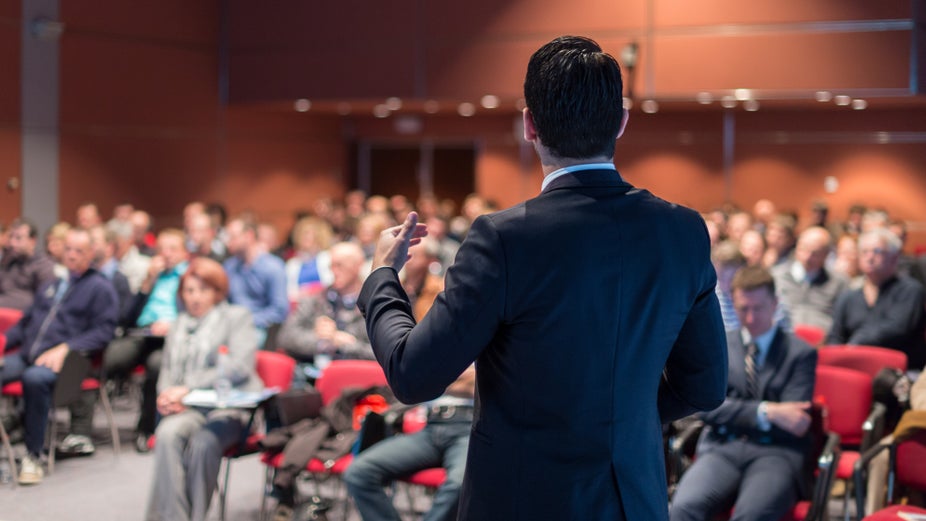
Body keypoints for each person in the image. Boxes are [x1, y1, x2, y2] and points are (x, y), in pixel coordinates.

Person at [357, 35, 728, 520]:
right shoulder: (683, 231)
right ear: (621, 121)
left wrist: (382, 275)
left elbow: (412, 374)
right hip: (633, 500)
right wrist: (614, 422)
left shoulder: (504, 238)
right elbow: (704, 387)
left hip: (523, 499)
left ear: (529, 124)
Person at [670, 266, 817, 521]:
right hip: (722, 447)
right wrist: (767, 411)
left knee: (750, 516)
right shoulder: (721, 344)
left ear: (775, 303)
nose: (749, 318)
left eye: (757, 308)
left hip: (776, 453)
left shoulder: (800, 353)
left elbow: (795, 422)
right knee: (682, 509)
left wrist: (730, 409)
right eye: (742, 309)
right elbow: (706, 408)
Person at [144, 257, 262, 521]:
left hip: (230, 407)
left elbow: (239, 366)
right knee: (166, 433)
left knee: (203, 444)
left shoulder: (236, 317)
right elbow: (166, 370)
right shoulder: (179, 324)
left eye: (203, 290)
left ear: (218, 291)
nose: (195, 297)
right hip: (190, 408)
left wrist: (186, 388)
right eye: (189, 291)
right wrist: (166, 396)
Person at [0, 227, 118, 484]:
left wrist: (67, 347)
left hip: (68, 364)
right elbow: (25, 322)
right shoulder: (52, 285)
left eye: (79, 251)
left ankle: (34, 456)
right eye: (68, 249)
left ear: (90, 255)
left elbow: (104, 332)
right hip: (27, 354)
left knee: (34, 379)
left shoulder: (100, 288)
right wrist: (3, 341)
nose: (72, 255)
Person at [344, 365, 475, 521]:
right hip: (431, 427)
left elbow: (484, 384)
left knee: (462, 484)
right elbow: (414, 382)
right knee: (358, 472)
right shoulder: (442, 344)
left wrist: (441, 378)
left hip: (471, 428)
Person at [104, 228, 190, 451]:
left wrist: (173, 325)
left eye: (173, 249)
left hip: (172, 338)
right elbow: (128, 316)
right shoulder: (153, 275)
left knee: (156, 366)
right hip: (142, 333)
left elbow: (195, 314)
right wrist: (146, 283)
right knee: (110, 358)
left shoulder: (189, 276)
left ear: (184, 252)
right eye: (162, 250)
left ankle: (147, 428)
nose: (167, 254)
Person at [826, 228, 926, 370]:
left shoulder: (910, 291)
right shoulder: (848, 296)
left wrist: (854, 345)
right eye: (864, 252)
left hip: (899, 373)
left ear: (894, 258)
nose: (870, 257)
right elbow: (835, 336)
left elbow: (895, 329)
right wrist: (836, 357)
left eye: (877, 251)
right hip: (855, 368)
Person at [276, 242, 372, 362]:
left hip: (356, 375)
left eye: (340, 265)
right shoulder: (315, 299)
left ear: (359, 265)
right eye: (331, 266)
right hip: (311, 372)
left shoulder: (373, 304)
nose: (334, 271)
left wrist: (347, 344)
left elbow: (388, 353)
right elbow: (285, 337)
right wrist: (321, 340)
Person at [223, 216, 289, 348]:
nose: (228, 242)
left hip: (259, 327)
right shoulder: (229, 267)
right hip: (232, 325)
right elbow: (223, 302)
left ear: (249, 236)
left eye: (233, 237)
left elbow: (279, 310)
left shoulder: (273, 267)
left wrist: (247, 321)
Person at [771, 226, 848, 332]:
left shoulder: (838, 282)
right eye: (804, 249)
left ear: (826, 255)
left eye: (815, 254)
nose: (807, 257)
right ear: (797, 247)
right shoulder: (777, 276)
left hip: (822, 340)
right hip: (785, 339)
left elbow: (841, 321)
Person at [0, 218, 56, 310]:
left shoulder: (44, 265)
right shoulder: (8, 261)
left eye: (18, 238)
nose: (12, 243)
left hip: (24, 317)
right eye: (11, 237)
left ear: (32, 240)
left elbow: (45, 302)